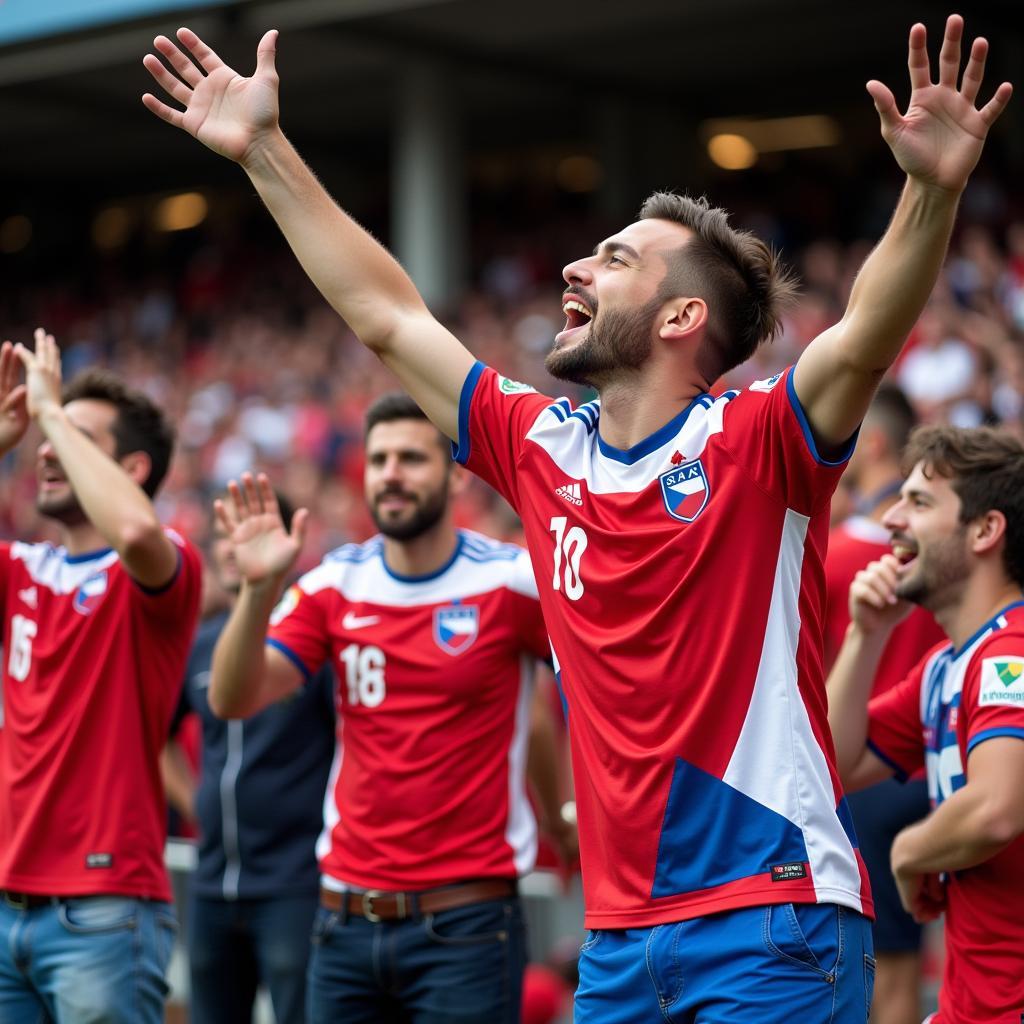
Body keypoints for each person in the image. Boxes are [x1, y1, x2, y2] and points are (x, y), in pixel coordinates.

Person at [141, 15, 1012, 1020]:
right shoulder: (540, 443)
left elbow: (864, 335)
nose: (574, 271)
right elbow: (385, 316)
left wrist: (931, 190)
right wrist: (264, 150)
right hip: (616, 939)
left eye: (612, 258)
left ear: (682, 317)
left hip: (770, 918)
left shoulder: (760, 438)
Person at [208, 393, 573, 1023]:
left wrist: (566, 818)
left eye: (410, 457)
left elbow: (563, 702)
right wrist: (257, 590)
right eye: (378, 460)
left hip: (466, 923)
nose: (391, 474)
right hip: (343, 920)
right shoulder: (331, 585)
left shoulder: (512, 581)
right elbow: (233, 698)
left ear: (456, 470)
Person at [0, 331, 202, 1022]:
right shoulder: (23, 570)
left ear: (134, 469)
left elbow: (139, 536)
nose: (48, 449)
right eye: (50, 434)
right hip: (8, 905)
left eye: (79, 437)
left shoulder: (161, 561)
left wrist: (53, 411)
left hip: (105, 909)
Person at [826, 425, 1024, 1024]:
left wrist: (908, 853)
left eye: (918, 503)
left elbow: (995, 808)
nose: (890, 521)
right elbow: (834, 761)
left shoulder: (1010, 654)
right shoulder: (947, 665)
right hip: (971, 1005)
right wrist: (866, 634)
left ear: (986, 530)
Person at [161, 494, 336, 1024]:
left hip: (295, 882)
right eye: (221, 533)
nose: (231, 547)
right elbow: (160, 736)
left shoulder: (309, 640)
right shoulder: (203, 643)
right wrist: (195, 803)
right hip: (212, 882)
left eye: (246, 529)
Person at [823, 385, 945, 1024]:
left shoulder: (836, 554)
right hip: (941, 771)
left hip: (864, 777)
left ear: (870, 445)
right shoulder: (944, 559)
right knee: (910, 969)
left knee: (879, 974)